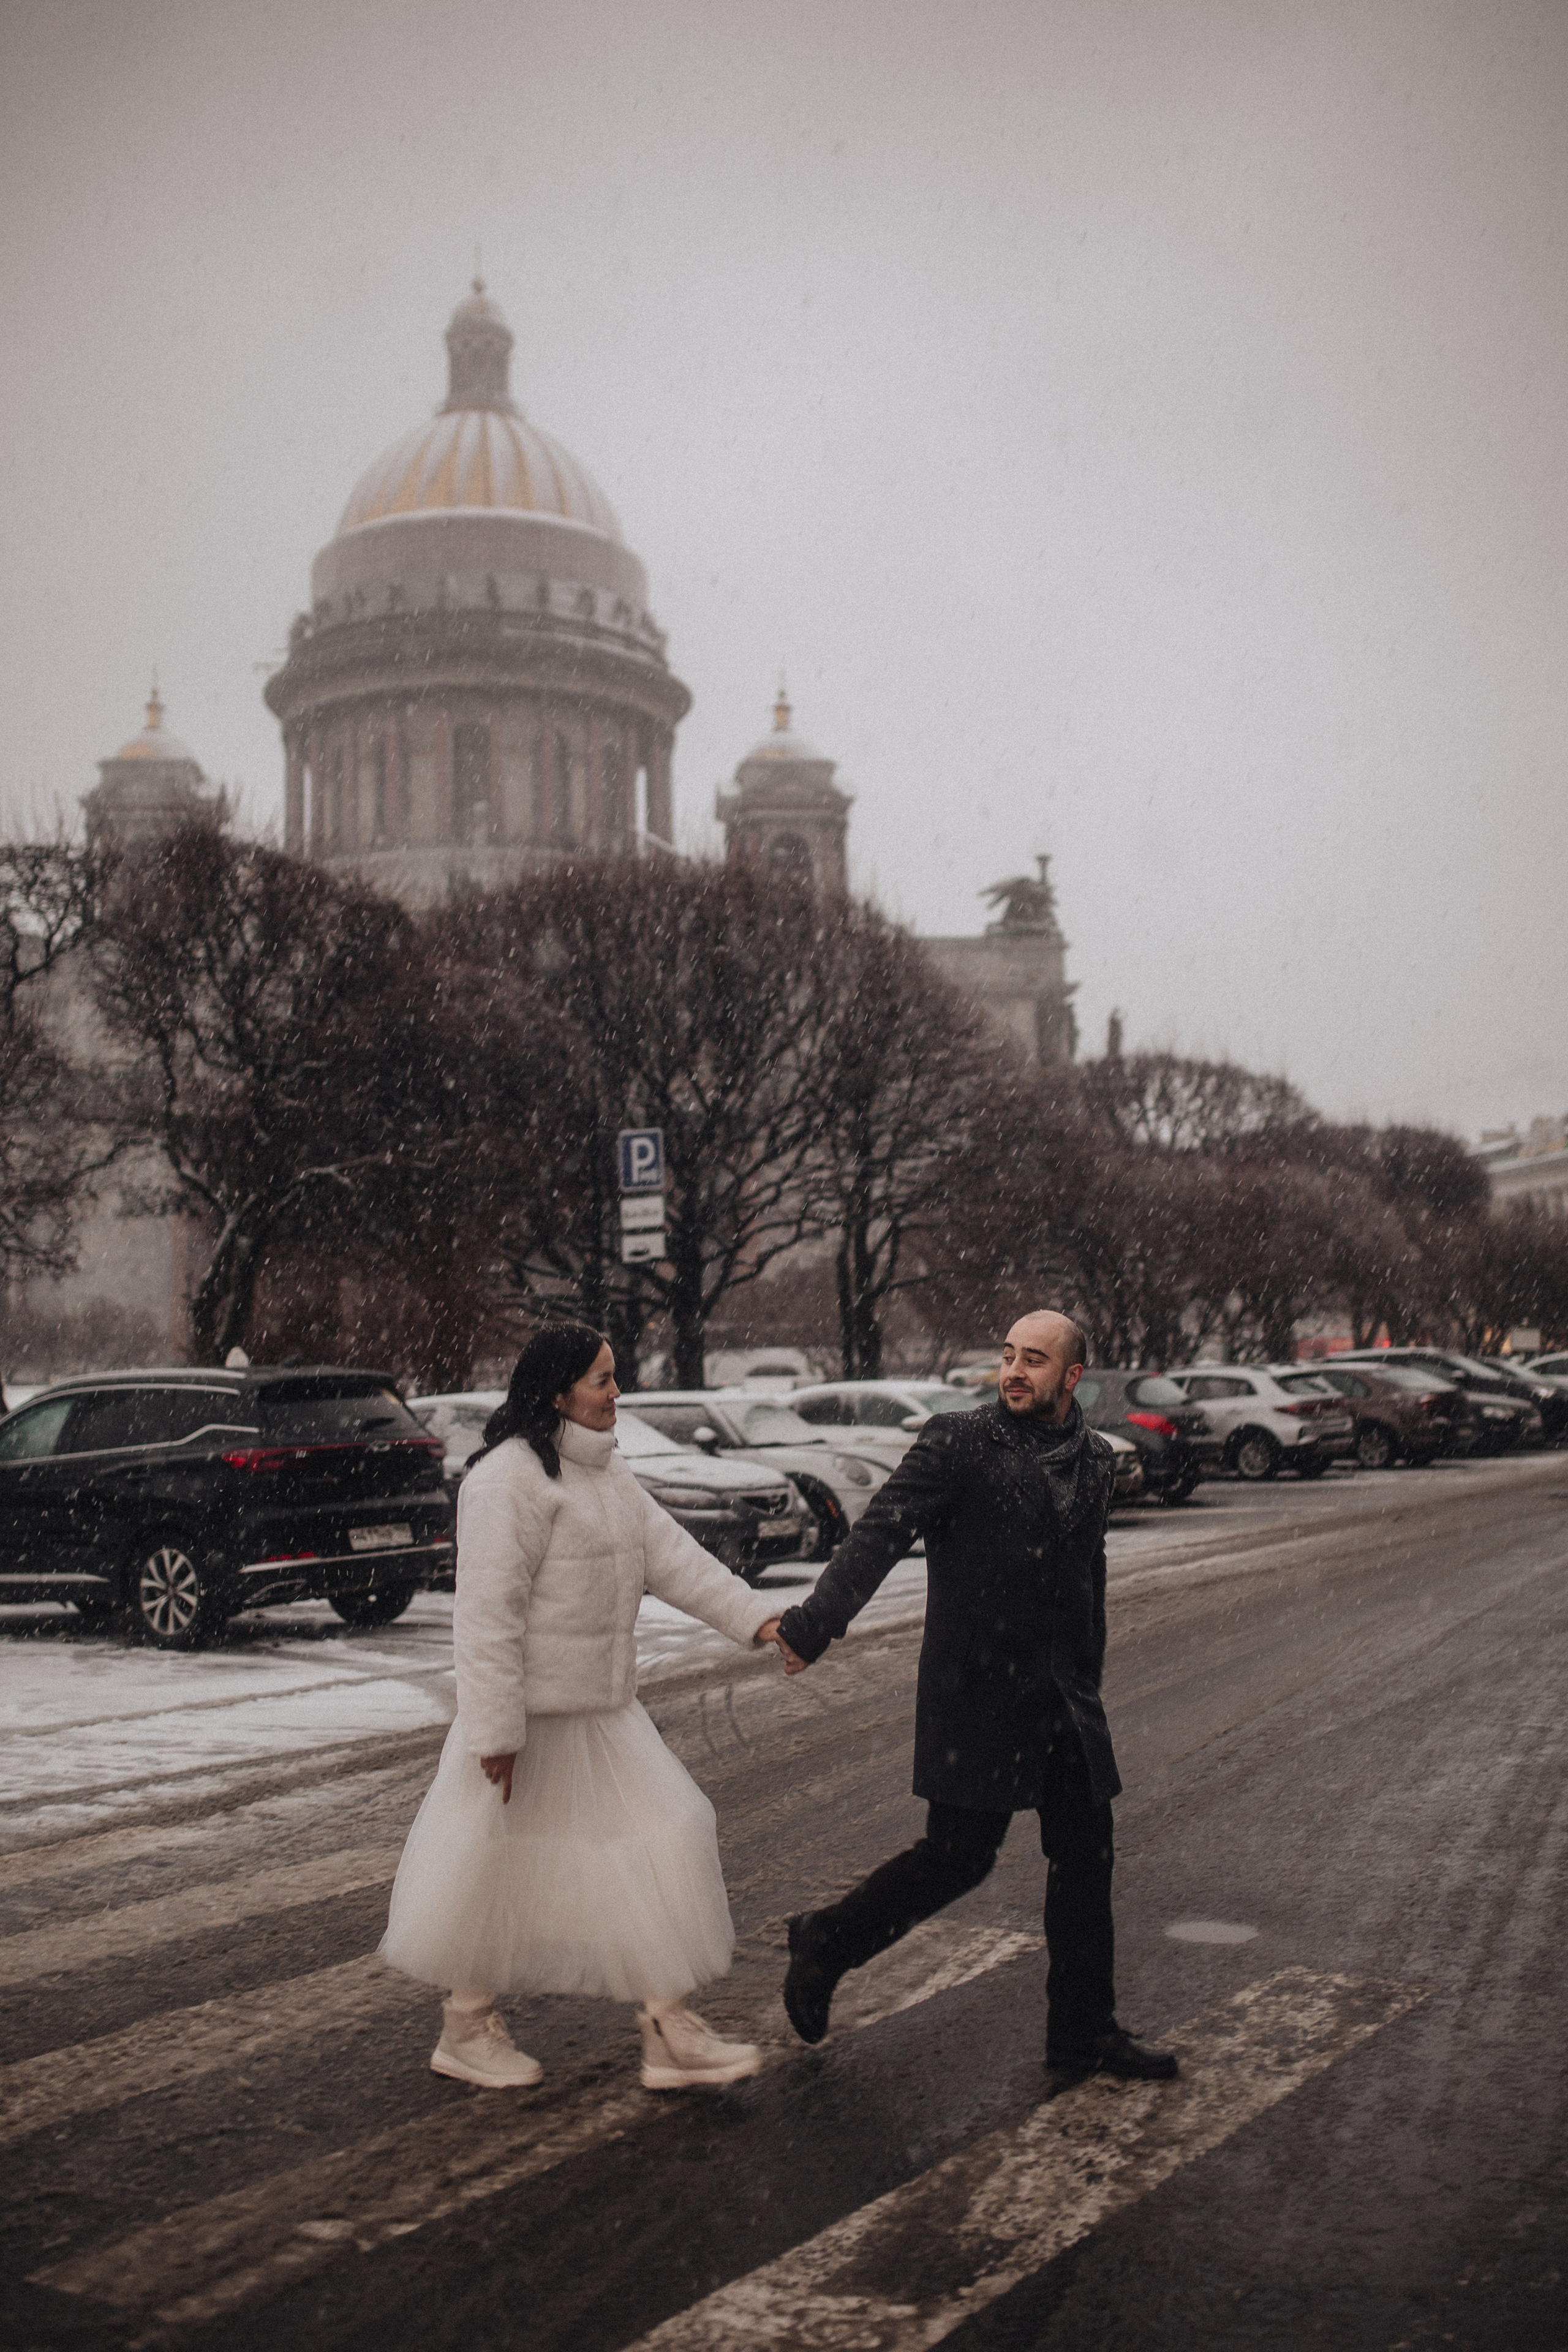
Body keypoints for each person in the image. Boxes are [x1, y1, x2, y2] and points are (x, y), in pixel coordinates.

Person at [764, 1309, 1178, 2082]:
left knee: (1086, 1860)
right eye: (1009, 1357)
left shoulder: (1091, 1458)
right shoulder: (959, 1443)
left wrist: (1088, 1674)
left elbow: (1088, 1574)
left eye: (1035, 1360)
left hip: (1065, 1698)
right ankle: (827, 1939)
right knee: (959, 1858)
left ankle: (1083, 2035)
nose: (1015, 1372)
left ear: (1072, 1377)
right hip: (978, 1692)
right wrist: (815, 1623)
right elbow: (880, 1533)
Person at [380, 1322, 782, 2092]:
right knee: (495, 1873)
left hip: (602, 1713)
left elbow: (673, 1560)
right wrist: (496, 1733)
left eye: (614, 1376)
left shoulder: (605, 1474)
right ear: (558, 1390)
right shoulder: (506, 1481)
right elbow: (487, 1617)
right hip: (527, 1726)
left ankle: (669, 2030)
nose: (616, 1392)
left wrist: (755, 1619)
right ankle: (467, 2031)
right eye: (602, 1379)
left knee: (665, 1839)